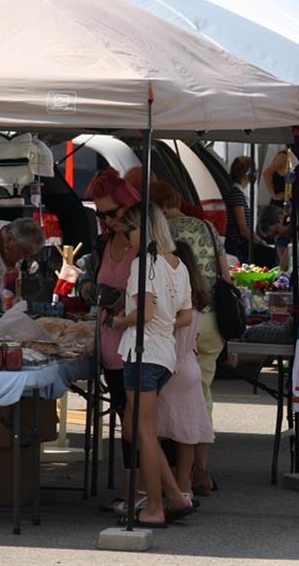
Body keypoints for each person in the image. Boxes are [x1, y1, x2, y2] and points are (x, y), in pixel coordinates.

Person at [111, 203, 195, 528]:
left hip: (142, 352)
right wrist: (163, 321)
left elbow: (143, 312)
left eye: (128, 231)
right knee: (136, 427)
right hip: (165, 356)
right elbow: (185, 316)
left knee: (144, 433)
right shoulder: (178, 265)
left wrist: (120, 321)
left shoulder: (143, 263)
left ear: (141, 230)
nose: (126, 238)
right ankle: (174, 496)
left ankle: (155, 507)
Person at [149, 180, 230, 494]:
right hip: (209, 319)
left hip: (178, 321)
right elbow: (225, 276)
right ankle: (201, 471)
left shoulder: (162, 235)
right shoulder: (207, 227)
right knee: (201, 395)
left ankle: (173, 473)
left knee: (171, 400)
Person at [78, 168, 141, 487]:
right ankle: (138, 487)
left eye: (112, 213)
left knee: (141, 422)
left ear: (129, 204)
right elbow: (84, 281)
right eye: (100, 214)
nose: (106, 220)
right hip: (111, 347)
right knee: (124, 417)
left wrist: (128, 303)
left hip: (141, 346)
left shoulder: (145, 242)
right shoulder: (102, 244)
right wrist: (90, 290)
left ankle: (153, 489)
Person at [156, 241, 215, 495]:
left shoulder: (173, 297)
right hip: (190, 365)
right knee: (186, 435)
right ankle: (183, 488)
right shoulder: (197, 297)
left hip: (168, 366)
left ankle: (159, 488)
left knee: (151, 433)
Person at [224, 156, 270, 264]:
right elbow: (243, 230)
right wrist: (260, 242)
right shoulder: (237, 194)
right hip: (238, 245)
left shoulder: (236, 192)